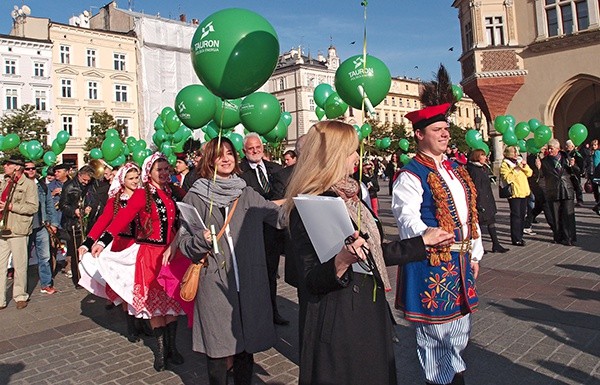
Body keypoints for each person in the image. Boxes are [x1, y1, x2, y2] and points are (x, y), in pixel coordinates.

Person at [283, 121, 454, 385]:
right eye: (352, 150)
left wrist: (422, 242)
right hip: (339, 321)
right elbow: (309, 279)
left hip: (367, 310)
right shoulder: (312, 203)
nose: (357, 157)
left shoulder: (351, 195)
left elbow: (374, 252)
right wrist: (340, 260)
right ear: (334, 156)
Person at [178, 137, 283, 385]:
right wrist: (201, 240)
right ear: (209, 160)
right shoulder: (197, 195)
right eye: (218, 154)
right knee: (218, 350)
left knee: (245, 349)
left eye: (229, 153)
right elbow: (184, 244)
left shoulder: (246, 192)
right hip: (214, 283)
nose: (225, 158)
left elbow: (277, 217)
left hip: (248, 282)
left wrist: (305, 202)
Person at [392, 101, 483, 385]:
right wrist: (428, 235)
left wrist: (475, 254)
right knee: (435, 336)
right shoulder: (410, 174)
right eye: (437, 129)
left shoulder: (455, 168)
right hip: (432, 263)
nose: (445, 134)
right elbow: (406, 217)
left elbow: (469, 216)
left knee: (458, 331)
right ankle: (443, 381)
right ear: (419, 134)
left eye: (446, 128)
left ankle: (453, 376)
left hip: (461, 261)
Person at [91, 154, 185, 371]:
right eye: (158, 170)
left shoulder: (172, 191)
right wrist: (101, 241)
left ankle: (173, 348)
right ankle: (161, 351)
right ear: (149, 172)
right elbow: (121, 218)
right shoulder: (143, 194)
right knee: (154, 306)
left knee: (171, 303)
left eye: (166, 169)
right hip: (150, 254)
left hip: (172, 253)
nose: (163, 173)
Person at [79, 163, 144, 341]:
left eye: (137, 177)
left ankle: (142, 321)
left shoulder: (143, 196)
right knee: (124, 285)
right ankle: (131, 325)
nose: (134, 181)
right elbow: (103, 221)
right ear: (123, 180)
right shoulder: (116, 200)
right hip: (121, 245)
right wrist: (88, 241)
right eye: (130, 178)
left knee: (139, 285)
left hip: (139, 246)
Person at [239, 132, 288, 325]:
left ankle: (272, 311)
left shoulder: (274, 169)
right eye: (251, 148)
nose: (255, 151)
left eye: (258, 147)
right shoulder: (239, 171)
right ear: (244, 151)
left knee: (271, 273)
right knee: (253, 275)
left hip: (272, 231)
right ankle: (254, 314)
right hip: (251, 231)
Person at [0, 156, 39, 310]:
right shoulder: (5, 182)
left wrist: (11, 206)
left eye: (7, 165)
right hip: (3, 228)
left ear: (16, 167)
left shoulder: (29, 185)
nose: (5, 167)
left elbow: (32, 207)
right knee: (0, 265)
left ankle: (20, 295)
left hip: (18, 229)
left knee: (20, 265)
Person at [23, 161, 60, 295]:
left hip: (42, 226)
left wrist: (54, 223)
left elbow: (50, 205)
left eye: (33, 168)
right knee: (23, 259)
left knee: (45, 257)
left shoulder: (42, 185)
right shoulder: (20, 185)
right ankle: (22, 288)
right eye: (28, 169)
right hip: (25, 226)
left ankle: (46, 284)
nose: (31, 171)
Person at [59, 165, 95, 287]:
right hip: (73, 224)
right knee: (76, 253)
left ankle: (88, 277)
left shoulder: (90, 184)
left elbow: (90, 198)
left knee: (87, 251)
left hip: (86, 222)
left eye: (88, 180)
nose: (86, 183)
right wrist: (74, 211)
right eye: (84, 180)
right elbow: (63, 205)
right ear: (79, 175)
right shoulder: (69, 186)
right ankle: (78, 279)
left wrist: (89, 206)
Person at [537, 139, 578, 245]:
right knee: (556, 215)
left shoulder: (566, 157)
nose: (550, 150)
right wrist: (538, 168)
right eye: (549, 148)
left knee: (568, 215)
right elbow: (541, 176)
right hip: (553, 190)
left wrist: (573, 165)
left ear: (558, 149)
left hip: (566, 188)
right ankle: (558, 236)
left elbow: (578, 171)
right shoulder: (545, 161)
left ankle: (569, 238)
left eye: (552, 148)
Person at [466, 150, 509, 253]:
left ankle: (496, 244)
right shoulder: (474, 170)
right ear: (477, 157)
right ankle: (478, 246)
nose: (485, 157)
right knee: (479, 223)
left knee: (491, 222)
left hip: (487, 198)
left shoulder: (482, 168)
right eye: (482, 155)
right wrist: (479, 202)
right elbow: (476, 187)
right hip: (481, 200)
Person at [499, 146, 533, 246]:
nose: (516, 154)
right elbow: (508, 178)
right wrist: (516, 169)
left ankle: (520, 235)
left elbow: (530, 173)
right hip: (514, 193)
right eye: (514, 152)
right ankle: (516, 238)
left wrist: (525, 165)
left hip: (524, 192)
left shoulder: (519, 161)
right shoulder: (505, 164)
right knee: (516, 216)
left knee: (522, 215)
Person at [565, 140, 584, 207]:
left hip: (575, 172)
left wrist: (574, 166)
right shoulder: (566, 154)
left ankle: (580, 200)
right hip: (568, 172)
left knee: (577, 186)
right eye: (566, 145)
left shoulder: (576, 154)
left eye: (568, 145)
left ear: (572, 146)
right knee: (570, 187)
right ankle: (571, 200)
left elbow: (581, 164)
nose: (566, 147)